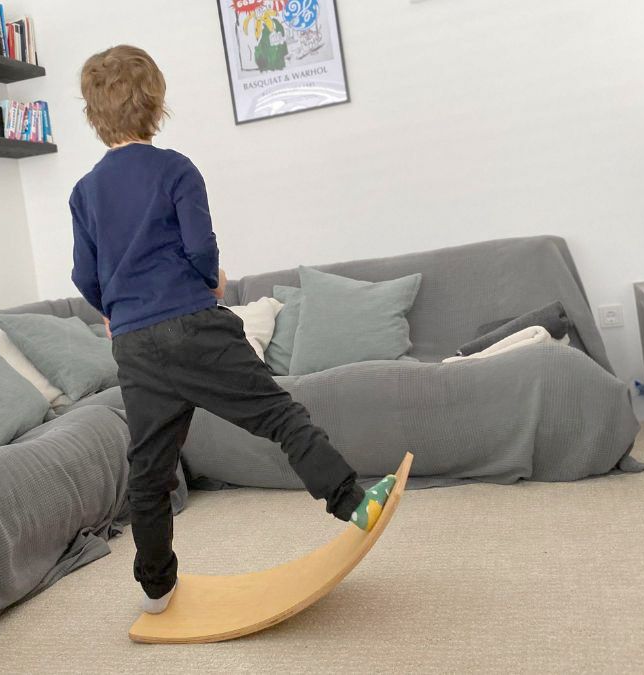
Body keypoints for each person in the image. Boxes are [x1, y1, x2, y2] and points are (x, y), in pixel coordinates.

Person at [69, 45, 395, 615]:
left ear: (94, 114)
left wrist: (113, 312)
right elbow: (199, 247)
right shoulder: (176, 169)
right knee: (279, 415)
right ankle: (349, 501)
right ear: (155, 104)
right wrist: (212, 279)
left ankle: (154, 586)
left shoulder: (83, 192)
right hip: (195, 325)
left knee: (149, 468)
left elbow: (84, 274)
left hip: (136, 345)